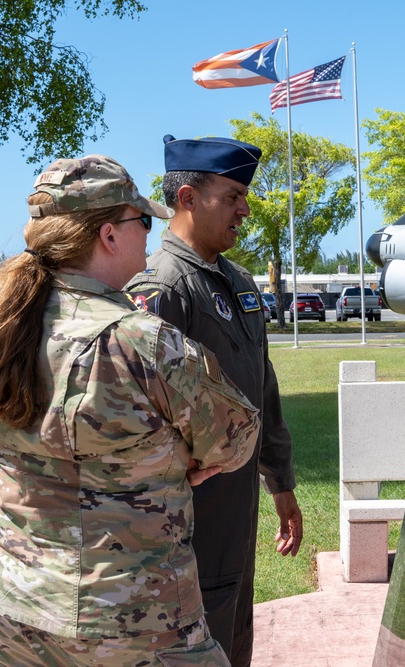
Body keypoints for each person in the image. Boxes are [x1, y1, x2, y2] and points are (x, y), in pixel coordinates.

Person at [0, 155, 262, 666]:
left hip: (10, 603)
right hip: (127, 618)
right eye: (143, 222)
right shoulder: (142, 341)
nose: (149, 237)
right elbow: (237, 438)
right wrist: (180, 455)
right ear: (109, 235)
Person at [126, 135, 303, 666]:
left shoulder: (238, 283)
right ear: (186, 198)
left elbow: (260, 392)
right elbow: (141, 412)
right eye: (231, 196)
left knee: (232, 621)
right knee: (195, 629)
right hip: (185, 512)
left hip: (236, 501)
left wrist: (282, 484)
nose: (245, 209)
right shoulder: (162, 287)